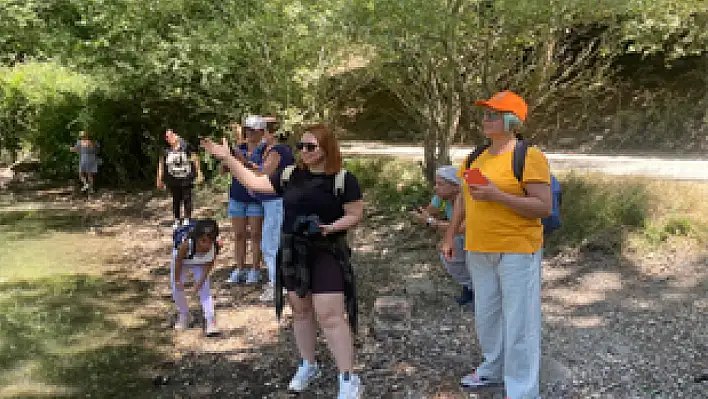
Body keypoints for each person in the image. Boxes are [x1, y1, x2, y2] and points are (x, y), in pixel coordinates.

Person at [201, 124, 364, 399]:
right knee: (300, 311)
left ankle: (348, 377)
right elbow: (255, 183)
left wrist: (332, 227)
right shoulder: (290, 175)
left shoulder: (343, 179)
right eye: (301, 146)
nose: (304, 151)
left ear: (327, 148)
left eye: (311, 147)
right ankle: (308, 364)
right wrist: (227, 158)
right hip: (292, 251)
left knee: (330, 314)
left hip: (327, 250)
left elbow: (355, 213)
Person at [442, 91, 551, 399]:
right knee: (486, 316)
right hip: (478, 247)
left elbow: (543, 207)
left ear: (511, 120)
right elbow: (463, 197)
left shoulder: (529, 156)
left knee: (520, 323)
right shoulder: (475, 156)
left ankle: (522, 390)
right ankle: (491, 369)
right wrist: (451, 235)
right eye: (485, 113)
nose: (485, 119)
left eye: (493, 114)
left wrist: (497, 196)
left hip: (518, 249)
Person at [411, 165, 473, 306]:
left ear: (456, 186)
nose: (436, 187)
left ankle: (474, 289)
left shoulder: (467, 199)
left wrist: (431, 222)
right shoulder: (442, 195)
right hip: (458, 236)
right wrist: (424, 214)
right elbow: (432, 209)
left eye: (440, 184)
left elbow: (463, 228)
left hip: (474, 237)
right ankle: (469, 286)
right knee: (448, 257)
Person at [256, 116, 295, 302]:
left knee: (270, 244)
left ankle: (276, 284)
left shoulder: (277, 151)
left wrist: (239, 167)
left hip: (276, 202)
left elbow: (263, 175)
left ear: (269, 132)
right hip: (274, 202)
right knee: (275, 242)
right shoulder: (274, 150)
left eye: (260, 129)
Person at [225, 115, 266, 284]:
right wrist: (227, 158)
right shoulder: (238, 148)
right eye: (247, 129)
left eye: (253, 130)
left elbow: (262, 171)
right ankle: (240, 268)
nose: (249, 133)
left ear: (261, 132)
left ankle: (256, 269)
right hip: (237, 196)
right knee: (239, 235)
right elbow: (224, 170)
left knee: (256, 235)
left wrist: (244, 161)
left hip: (256, 198)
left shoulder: (266, 150)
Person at [171, 219, 220, 336]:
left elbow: (209, 264)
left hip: (201, 263)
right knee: (176, 289)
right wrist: (177, 280)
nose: (207, 245)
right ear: (197, 238)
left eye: (210, 241)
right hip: (183, 261)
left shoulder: (215, 247)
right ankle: (184, 314)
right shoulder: (186, 245)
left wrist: (200, 282)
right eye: (203, 241)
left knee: (205, 289)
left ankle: (210, 319)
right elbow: (178, 262)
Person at [157, 129, 203, 229]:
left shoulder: (186, 146)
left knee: (187, 198)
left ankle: (187, 218)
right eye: (167, 137)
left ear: (176, 135)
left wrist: (199, 173)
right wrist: (159, 179)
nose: (170, 138)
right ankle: (177, 219)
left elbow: (195, 158)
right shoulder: (165, 150)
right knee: (176, 200)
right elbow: (161, 164)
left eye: (171, 135)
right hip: (173, 179)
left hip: (186, 177)